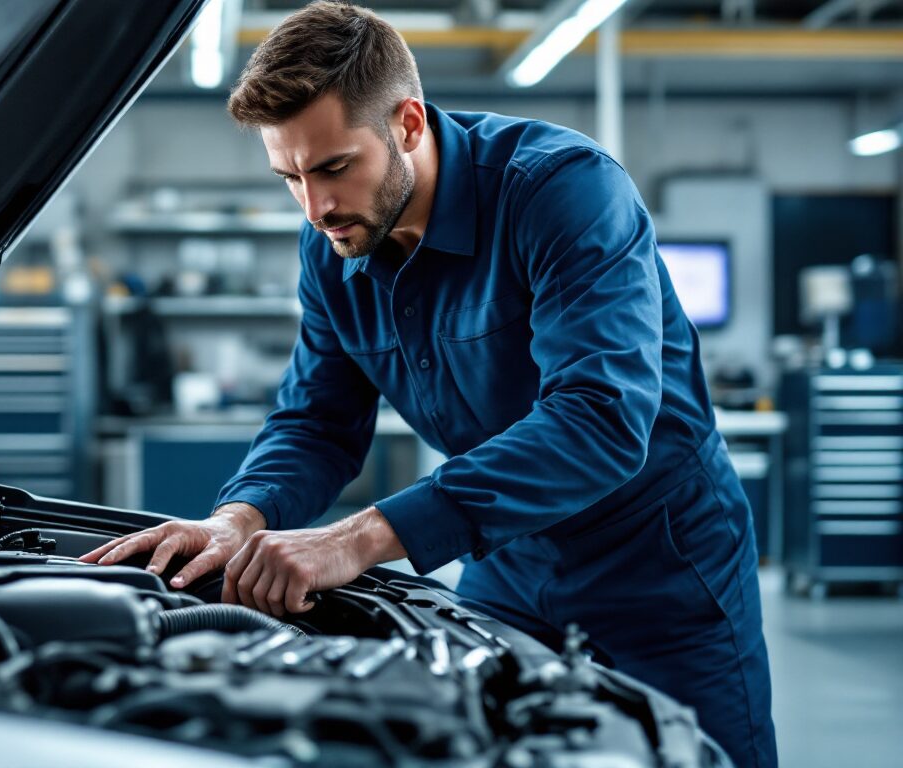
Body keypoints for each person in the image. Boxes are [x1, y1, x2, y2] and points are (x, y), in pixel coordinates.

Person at [82, 3, 775, 764]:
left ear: (407, 124)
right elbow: (316, 423)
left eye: (335, 168)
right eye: (291, 178)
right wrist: (238, 520)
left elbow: (599, 420)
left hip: (661, 570)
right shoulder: (335, 248)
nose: (315, 209)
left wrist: (362, 538)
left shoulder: (562, 193)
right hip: (505, 564)